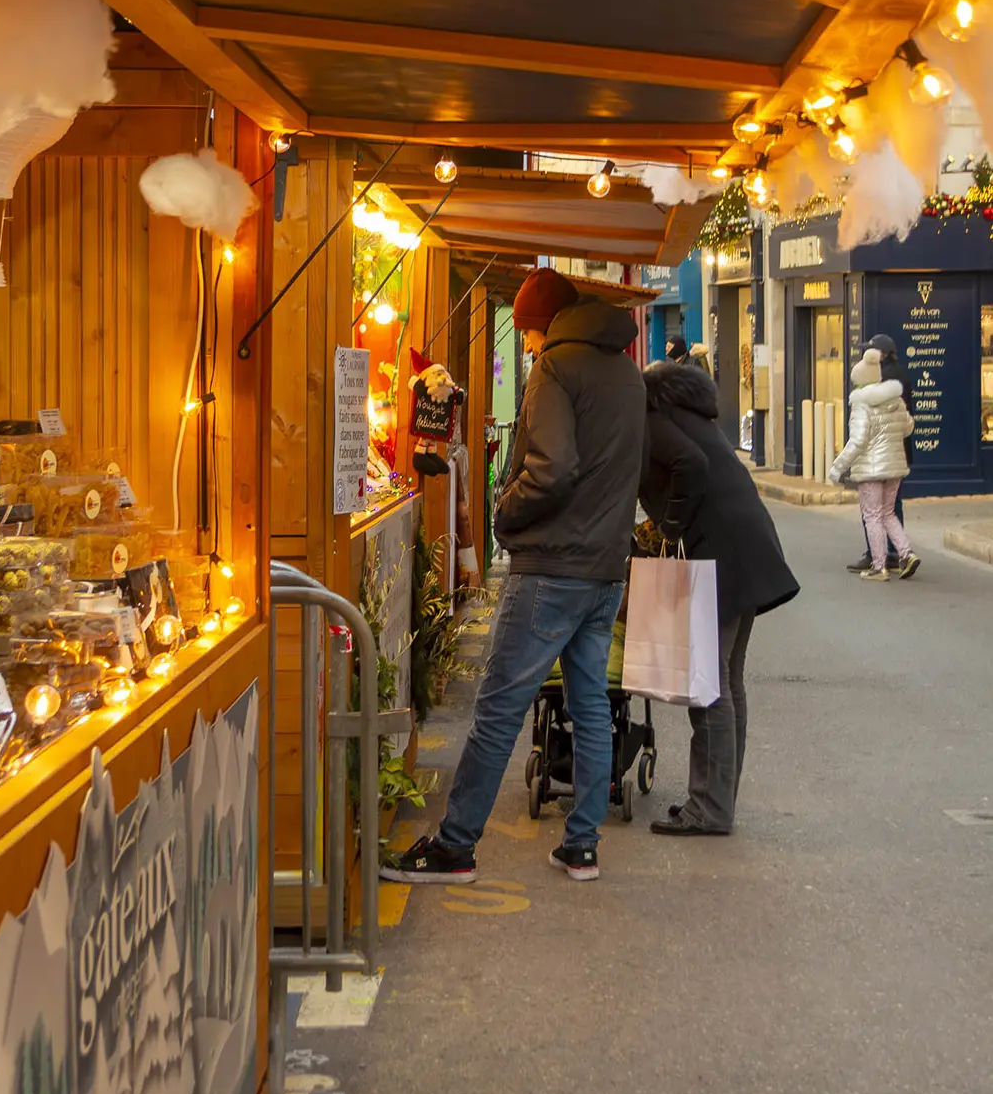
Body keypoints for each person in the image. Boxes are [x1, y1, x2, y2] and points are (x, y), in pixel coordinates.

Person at [381, 267, 645, 886]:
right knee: (590, 704)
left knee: (499, 709)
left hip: (551, 567)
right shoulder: (627, 372)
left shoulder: (555, 368)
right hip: (605, 569)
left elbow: (552, 468)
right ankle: (581, 846)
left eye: (526, 332)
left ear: (543, 324)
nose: (524, 344)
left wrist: (504, 509)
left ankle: (455, 847)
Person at [638, 362, 798, 836]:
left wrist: (669, 527)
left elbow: (691, 467)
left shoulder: (655, 419)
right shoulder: (690, 416)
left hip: (719, 555)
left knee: (710, 685)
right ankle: (716, 800)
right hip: (745, 547)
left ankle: (707, 809)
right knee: (727, 678)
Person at [829, 347, 918, 580]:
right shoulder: (895, 399)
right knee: (888, 512)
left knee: (872, 515)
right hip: (895, 465)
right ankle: (906, 553)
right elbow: (908, 426)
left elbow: (857, 441)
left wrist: (838, 467)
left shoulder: (861, 405)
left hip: (870, 469)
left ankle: (879, 567)